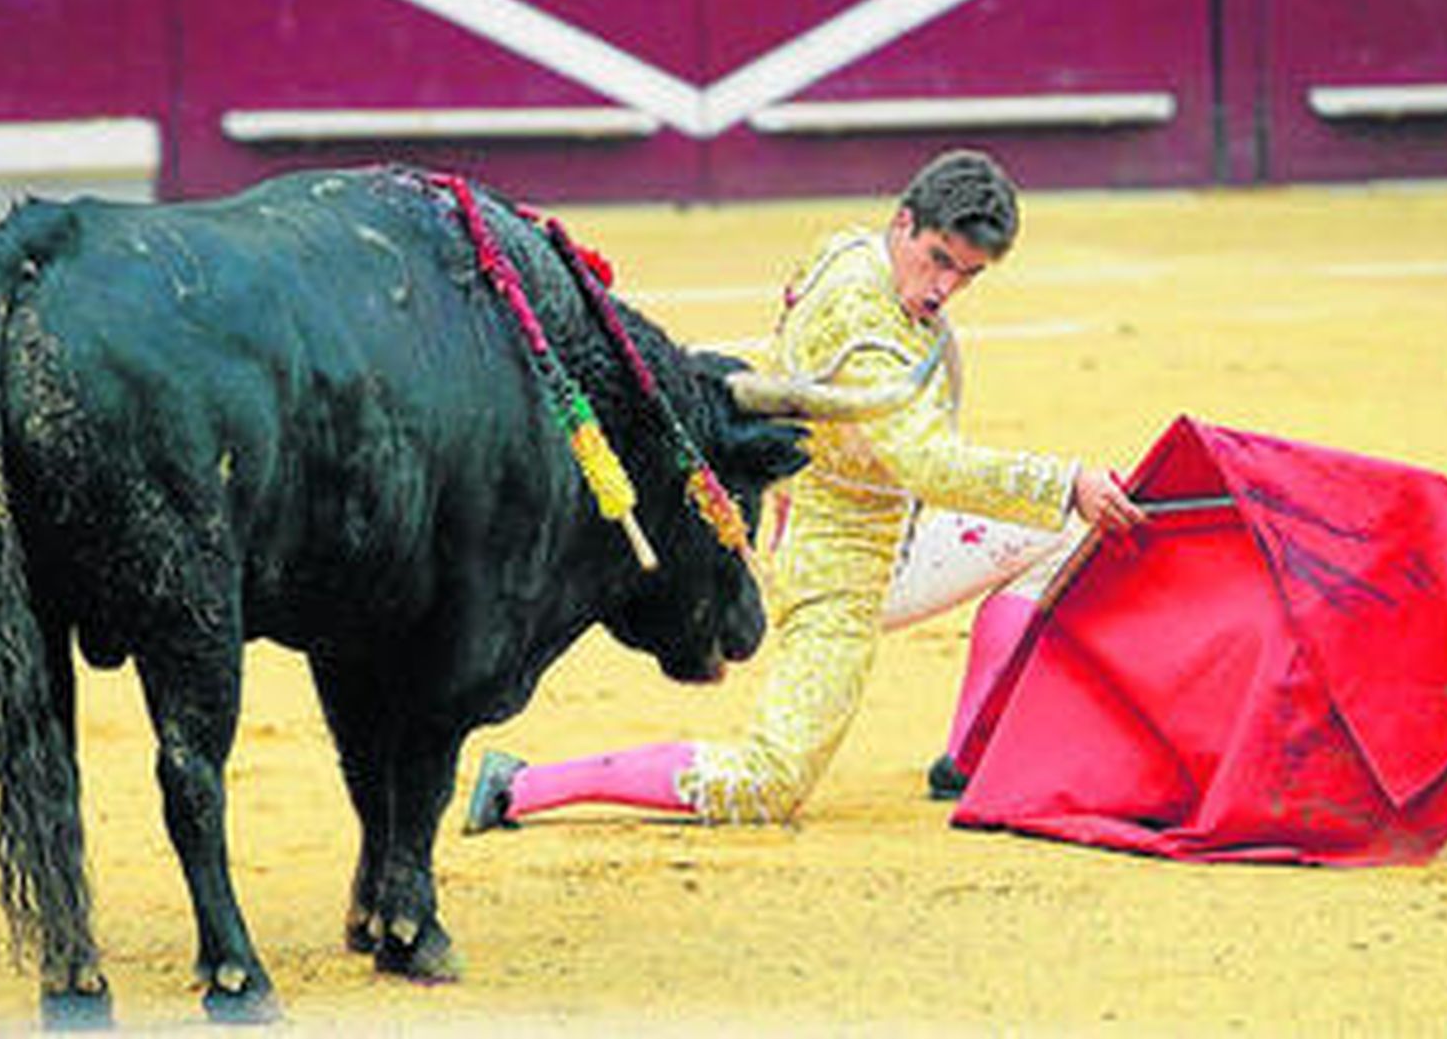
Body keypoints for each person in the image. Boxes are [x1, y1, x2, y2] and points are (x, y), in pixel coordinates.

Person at [464, 149, 1144, 829]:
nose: (943, 287)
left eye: (967, 273)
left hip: (889, 523)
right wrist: (1067, 479)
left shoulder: (855, 250)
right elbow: (929, 465)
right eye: (937, 258)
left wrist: (1067, 494)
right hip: (833, 560)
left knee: (1072, 530)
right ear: (903, 223)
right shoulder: (863, 324)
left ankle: (971, 753)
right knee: (769, 783)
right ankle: (521, 785)